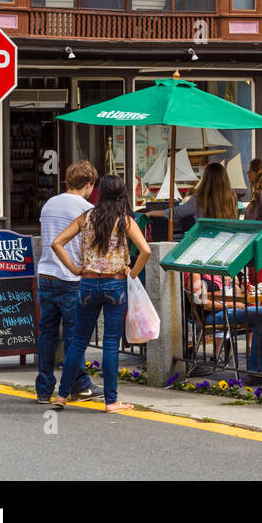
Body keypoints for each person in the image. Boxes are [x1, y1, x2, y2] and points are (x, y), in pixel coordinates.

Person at [50, 175, 151, 412]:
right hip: (114, 284)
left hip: (86, 285)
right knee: (109, 344)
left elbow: (57, 243)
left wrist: (75, 269)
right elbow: (145, 250)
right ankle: (111, 401)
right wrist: (133, 273)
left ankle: (62, 395)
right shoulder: (124, 220)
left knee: (77, 342)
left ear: (100, 193)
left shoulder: (86, 218)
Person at [35, 160, 99, 404]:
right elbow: (89, 245)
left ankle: (44, 388)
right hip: (72, 277)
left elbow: (45, 240)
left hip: (47, 274)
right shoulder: (87, 209)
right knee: (75, 335)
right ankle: (79, 384)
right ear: (89, 184)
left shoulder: (49, 204)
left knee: (47, 334)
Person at [190, 272, 262, 374]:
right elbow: (203, 304)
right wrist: (231, 304)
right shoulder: (195, 274)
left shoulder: (209, 272)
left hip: (222, 309)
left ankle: (261, 367)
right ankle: (259, 368)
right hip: (213, 315)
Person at [175, 161, 238, 232]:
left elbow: (177, 212)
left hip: (204, 238)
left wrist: (160, 212)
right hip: (226, 237)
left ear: (206, 179)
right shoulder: (232, 196)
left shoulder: (198, 200)